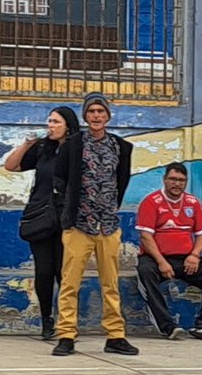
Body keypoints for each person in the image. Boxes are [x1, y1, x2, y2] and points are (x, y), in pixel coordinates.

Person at [52, 92, 139, 357]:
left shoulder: (120, 147)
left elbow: (121, 181)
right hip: (79, 224)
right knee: (70, 282)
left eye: (101, 112)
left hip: (108, 225)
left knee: (110, 283)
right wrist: (68, 212)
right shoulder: (73, 145)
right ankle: (66, 334)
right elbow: (60, 179)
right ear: (85, 116)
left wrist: (110, 208)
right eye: (92, 112)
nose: (97, 116)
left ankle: (115, 335)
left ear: (108, 116)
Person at [4, 106, 81, 340]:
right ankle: (46, 320)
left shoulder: (77, 148)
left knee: (64, 271)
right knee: (44, 270)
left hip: (67, 217)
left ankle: (67, 321)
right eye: (49, 121)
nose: (51, 126)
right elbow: (11, 165)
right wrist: (28, 143)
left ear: (68, 125)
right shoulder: (42, 148)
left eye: (56, 122)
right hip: (41, 215)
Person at [135, 163, 202, 340]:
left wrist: (194, 255)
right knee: (145, 272)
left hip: (185, 259)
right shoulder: (151, 202)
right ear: (165, 180)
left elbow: (201, 235)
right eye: (173, 179)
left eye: (181, 180)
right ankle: (167, 327)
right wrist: (161, 262)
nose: (177, 184)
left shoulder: (192, 202)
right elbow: (146, 236)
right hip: (155, 258)